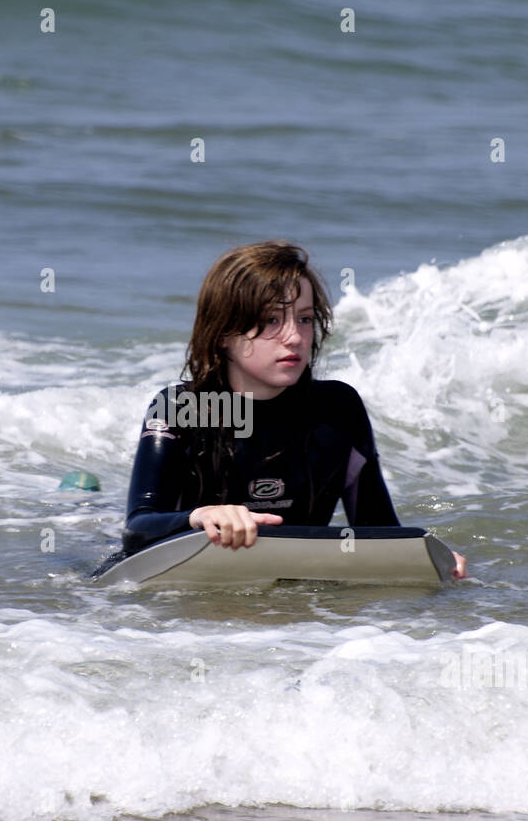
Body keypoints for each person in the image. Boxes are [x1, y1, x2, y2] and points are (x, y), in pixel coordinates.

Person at [121, 240, 467, 579]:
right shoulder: (183, 408)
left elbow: (377, 529)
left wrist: (429, 560)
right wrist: (199, 517)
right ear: (224, 332)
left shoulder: (337, 409)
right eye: (272, 320)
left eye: (304, 319)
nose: (294, 337)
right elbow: (138, 529)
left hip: (299, 614)